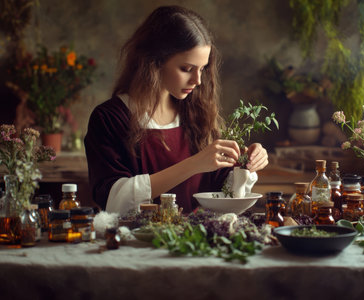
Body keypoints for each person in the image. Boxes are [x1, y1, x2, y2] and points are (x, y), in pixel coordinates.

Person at [84, 5, 269, 216]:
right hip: (136, 243)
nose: (198, 80)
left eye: (203, 69)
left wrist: (246, 166)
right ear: (155, 61)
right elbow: (113, 200)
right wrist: (194, 164)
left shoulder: (196, 114)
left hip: (193, 242)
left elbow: (224, 193)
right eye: (187, 69)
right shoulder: (109, 118)